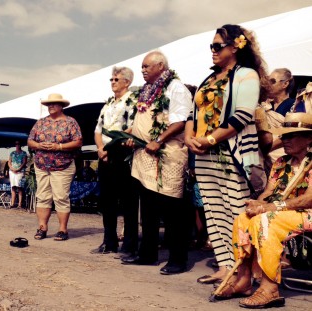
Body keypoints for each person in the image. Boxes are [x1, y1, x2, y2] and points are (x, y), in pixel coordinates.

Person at [184, 24, 268, 283]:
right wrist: (189, 139)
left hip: (234, 154)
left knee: (236, 211)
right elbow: (192, 113)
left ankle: (246, 272)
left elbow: (242, 115)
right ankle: (225, 266)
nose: (213, 50)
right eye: (212, 46)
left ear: (236, 47)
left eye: (217, 46)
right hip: (205, 154)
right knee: (213, 210)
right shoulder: (209, 79)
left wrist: (209, 139)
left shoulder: (247, 75)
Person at [212, 112, 312, 308]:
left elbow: (310, 198)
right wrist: (258, 205)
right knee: (244, 218)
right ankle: (244, 280)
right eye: (283, 136)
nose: (284, 140)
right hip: (284, 212)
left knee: (265, 221)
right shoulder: (281, 163)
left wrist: (273, 207)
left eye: (291, 135)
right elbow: (268, 193)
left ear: (309, 138)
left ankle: (269, 287)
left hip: (307, 213)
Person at [121, 51, 192, 276]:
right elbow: (142, 120)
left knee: (172, 211)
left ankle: (178, 259)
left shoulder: (175, 88)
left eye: (146, 66)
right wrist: (131, 135)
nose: (142, 70)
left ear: (161, 66)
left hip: (168, 155)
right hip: (144, 156)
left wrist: (158, 140)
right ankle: (147, 254)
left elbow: (180, 120)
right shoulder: (145, 91)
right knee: (148, 209)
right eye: (142, 66)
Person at [92, 66, 138, 255]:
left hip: (122, 153)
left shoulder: (133, 101)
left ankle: (129, 244)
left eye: (116, 79)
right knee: (107, 201)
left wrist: (112, 144)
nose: (112, 82)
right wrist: (101, 149)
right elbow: (98, 130)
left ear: (127, 82)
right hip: (105, 155)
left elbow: (134, 126)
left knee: (128, 202)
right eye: (111, 79)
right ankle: (109, 241)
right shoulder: (108, 104)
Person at [27, 93, 82, 241]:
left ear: (61, 106)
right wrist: (38, 145)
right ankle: (42, 227)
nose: (50, 106)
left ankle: (62, 230)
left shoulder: (70, 122)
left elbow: (78, 142)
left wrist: (59, 146)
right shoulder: (40, 123)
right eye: (49, 104)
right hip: (41, 165)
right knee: (43, 197)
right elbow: (30, 141)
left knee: (61, 197)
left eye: (54, 104)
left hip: (62, 166)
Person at [8, 141, 28, 208]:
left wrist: (18, 169)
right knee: (13, 187)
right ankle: (12, 203)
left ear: (20, 145)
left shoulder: (24, 153)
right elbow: (9, 162)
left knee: (19, 187)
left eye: (18, 144)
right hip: (12, 172)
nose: (17, 145)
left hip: (20, 171)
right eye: (16, 144)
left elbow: (24, 162)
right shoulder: (12, 153)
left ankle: (19, 204)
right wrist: (12, 168)